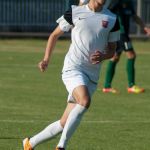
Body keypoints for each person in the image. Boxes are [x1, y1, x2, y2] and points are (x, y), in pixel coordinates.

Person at [23, 0, 120, 150]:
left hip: (92, 75)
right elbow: (54, 35)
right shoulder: (75, 11)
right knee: (85, 101)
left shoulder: (112, 19)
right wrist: (46, 59)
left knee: (64, 122)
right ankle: (61, 146)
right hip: (73, 68)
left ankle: (30, 143)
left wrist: (103, 56)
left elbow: (113, 50)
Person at [102, 0, 150, 94]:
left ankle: (107, 86)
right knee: (131, 55)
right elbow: (106, 14)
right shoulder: (116, 2)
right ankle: (131, 86)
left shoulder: (129, 3)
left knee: (115, 57)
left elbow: (135, 17)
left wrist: (144, 27)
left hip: (123, 34)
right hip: (120, 33)